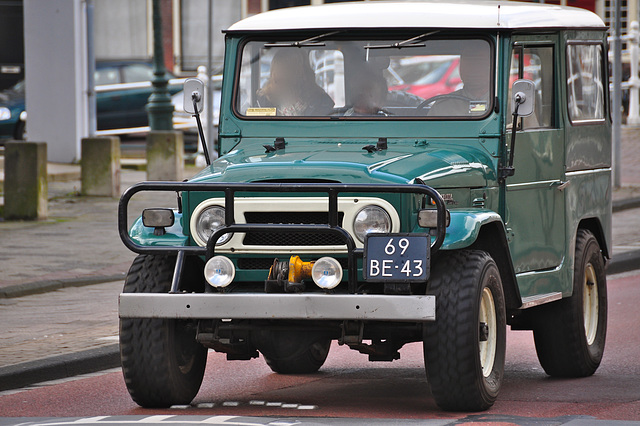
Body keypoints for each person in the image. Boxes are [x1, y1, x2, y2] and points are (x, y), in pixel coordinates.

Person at [256, 49, 334, 116]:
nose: (278, 76)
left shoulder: (321, 101)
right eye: (275, 72)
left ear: (300, 73)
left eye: (284, 71)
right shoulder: (264, 100)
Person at [427, 48, 491, 117]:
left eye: (479, 63)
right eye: (467, 64)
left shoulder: (502, 103)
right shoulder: (443, 106)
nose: (473, 69)